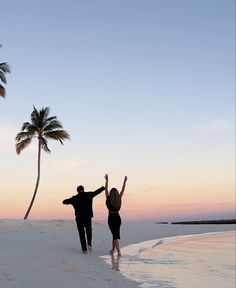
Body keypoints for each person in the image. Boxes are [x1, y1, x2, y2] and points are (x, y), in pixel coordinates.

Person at [62, 184, 105, 254]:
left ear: (77, 191)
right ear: (83, 189)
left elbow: (64, 202)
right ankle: (89, 244)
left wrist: (71, 201)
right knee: (89, 231)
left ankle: (84, 250)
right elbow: (96, 192)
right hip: (88, 217)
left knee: (81, 233)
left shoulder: (75, 198)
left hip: (79, 218)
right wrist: (103, 188)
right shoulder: (89, 194)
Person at [104, 174, 128, 256]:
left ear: (111, 193)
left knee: (115, 235)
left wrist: (107, 180)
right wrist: (125, 181)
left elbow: (106, 189)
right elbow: (122, 190)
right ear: (117, 193)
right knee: (114, 234)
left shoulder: (108, 199)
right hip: (118, 218)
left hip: (111, 218)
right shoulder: (119, 199)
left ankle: (118, 252)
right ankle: (113, 249)